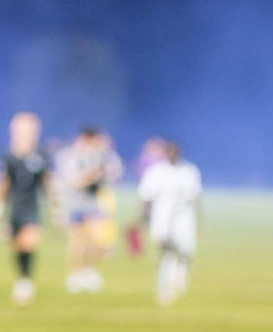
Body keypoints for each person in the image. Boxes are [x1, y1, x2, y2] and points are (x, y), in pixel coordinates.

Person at [0, 112, 54, 307]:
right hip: (14, 206)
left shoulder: (41, 156)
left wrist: (56, 208)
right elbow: (3, 184)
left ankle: (26, 282)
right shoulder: (8, 157)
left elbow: (47, 183)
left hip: (32, 205)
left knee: (29, 242)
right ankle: (21, 278)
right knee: (18, 246)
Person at [136, 140, 201, 306]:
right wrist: (142, 218)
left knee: (185, 249)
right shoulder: (156, 172)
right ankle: (164, 287)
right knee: (164, 250)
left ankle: (179, 274)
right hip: (162, 216)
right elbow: (146, 196)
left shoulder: (189, 171)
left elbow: (195, 197)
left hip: (183, 216)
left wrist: (199, 221)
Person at [60, 127, 120, 294]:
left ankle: (89, 271)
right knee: (77, 242)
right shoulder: (72, 156)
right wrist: (91, 176)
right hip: (76, 204)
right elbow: (72, 181)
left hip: (93, 203)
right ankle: (74, 275)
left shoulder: (101, 157)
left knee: (96, 239)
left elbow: (113, 173)